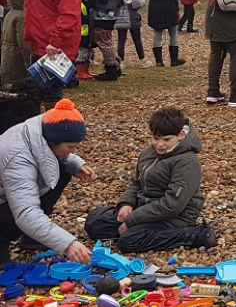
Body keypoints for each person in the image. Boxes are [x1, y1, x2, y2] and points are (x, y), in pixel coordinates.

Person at [84, 107, 215, 253]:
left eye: (166, 140)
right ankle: (136, 230)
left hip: (175, 217)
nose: (160, 144)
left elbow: (172, 205)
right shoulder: (148, 153)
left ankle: (196, 235)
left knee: (129, 242)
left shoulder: (187, 162)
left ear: (181, 135)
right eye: (155, 138)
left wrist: (131, 220)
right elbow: (136, 183)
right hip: (144, 209)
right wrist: (126, 204)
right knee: (94, 222)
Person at [0, 99, 95, 265]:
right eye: (71, 147)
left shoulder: (41, 131)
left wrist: (74, 163)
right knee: (24, 214)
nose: (74, 151)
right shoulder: (18, 158)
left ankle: (32, 236)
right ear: (53, 141)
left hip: (11, 191)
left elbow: (44, 153)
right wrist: (68, 244)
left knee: (63, 170)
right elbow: (25, 212)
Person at [17, 0, 82, 108]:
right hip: (39, 40)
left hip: (55, 44)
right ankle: (45, 129)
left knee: (51, 94)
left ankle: (56, 131)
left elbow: (69, 13)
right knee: (39, 92)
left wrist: (56, 41)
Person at [143, 0, 185, 68]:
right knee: (173, 33)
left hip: (154, 7)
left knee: (157, 34)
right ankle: (174, 59)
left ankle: (159, 61)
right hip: (168, 7)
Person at [113, 0, 152, 68]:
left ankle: (121, 61)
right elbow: (136, 4)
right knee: (137, 40)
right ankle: (142, 60)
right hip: (132, 17)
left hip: (120, 18)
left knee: (121, 40)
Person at [0, 0, 31, 87]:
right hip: (17, 63)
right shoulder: (22, 17)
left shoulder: (10, 14)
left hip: (7, 59)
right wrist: (30, 67)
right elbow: (24, 44)